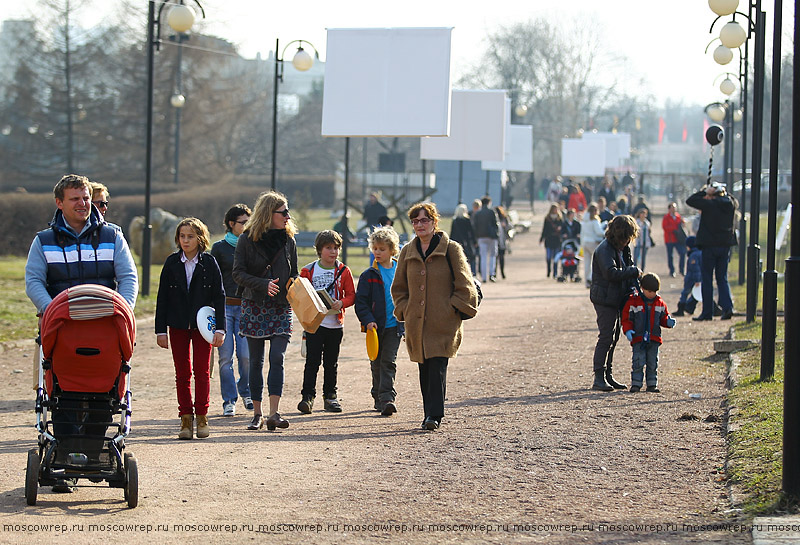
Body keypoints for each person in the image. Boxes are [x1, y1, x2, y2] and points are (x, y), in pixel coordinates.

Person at [25, 173, 139, 493]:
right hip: (62, 332)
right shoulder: (43, 241)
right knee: (64, 395)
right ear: (59, 203)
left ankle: (88, 453)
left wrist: (123, 310)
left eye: (86, 197)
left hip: (104, 331)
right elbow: (34, 280)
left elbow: (127, 277)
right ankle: (64, 459)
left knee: (103, 393)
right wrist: (51, 312)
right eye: (75, 198)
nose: (83, 204)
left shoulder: (112, 236)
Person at [392, 202, 478, 430]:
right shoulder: (407, 251)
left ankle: (433, 416)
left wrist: (453, 309)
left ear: (434, 222)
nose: (420, 225)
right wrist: (405, 308)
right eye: (416, 221)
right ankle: (429, 412)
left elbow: (465, 284)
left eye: (424, 220)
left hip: (443, 322)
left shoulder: (451, 249)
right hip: (416, 322)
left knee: (437, 365)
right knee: (424, 367)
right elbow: (398, 287)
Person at [233, 191, 299, 431]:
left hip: (281, 307)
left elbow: (295, 273)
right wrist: (263, 284)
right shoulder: (247, 239)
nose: (288, 217)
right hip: (255, 306)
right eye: (283, 213)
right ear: (268, 214)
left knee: (277, 357)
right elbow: (237, 273)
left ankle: (274, 413)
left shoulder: (288, 241)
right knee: (255, 361)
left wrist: (293, 284)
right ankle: (257, 414)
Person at [155, 218, 226, 440]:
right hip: (177, 325)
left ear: (200, 238)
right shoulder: (171, 263)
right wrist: (160, 330)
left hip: (202, 326)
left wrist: (220, 329)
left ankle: (202, 415)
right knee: (182, 372)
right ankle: (185, 417)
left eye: (190, 236)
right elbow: (162, 298)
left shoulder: (210, 263)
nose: (185, 240)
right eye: (182, 236)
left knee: (202, 371)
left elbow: (219, 297)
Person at [297, 230, 355, 414]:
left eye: (336, 248)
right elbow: (300, 295)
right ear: (319, 249)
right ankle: (307, 397)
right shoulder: (308, 271)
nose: (333, 252)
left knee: (331, 362)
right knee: (312, 362)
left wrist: (342, 303)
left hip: (335, 324)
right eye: (329, 248)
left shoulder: (344, 271)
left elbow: (352, 295)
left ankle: (330, 396)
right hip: (315, 324)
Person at [355, 226, 404, 416]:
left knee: (388, 361)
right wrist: (368, 321)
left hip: (395, 326)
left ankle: (387, 398)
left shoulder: (401, 271)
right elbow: (361, 303)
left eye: (382, 249)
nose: (377, 252)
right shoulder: (369, 275)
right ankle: (377, 395)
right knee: (376, 362)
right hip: (374, 328)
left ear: (392, 250)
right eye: (375, 248)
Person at [589, 215, 641, 392]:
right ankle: (598, 377)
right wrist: (633, 272)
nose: (628, 241)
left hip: (616, 297)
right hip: (604, 298)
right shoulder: (605, 249)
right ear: (619, 234)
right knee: (606, 337)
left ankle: (608, 375)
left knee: (613, 337)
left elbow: (628, 266)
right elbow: (610, 273)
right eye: (626, 237)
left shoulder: (621, 247)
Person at [210, 204, 253, 417]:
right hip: (224, 307)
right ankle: (229, 399)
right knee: (225, 357)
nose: (247, 226)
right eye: (243, 222)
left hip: (246, 307)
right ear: (231, 224)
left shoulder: (252, 245)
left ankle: (245, 390)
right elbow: (210, 278)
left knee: (245, 356)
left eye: (249, 222)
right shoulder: (218, 248)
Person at [686, 182, 736, 321]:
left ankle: (707, 312)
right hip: (725, 245)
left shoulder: (709, 204)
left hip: (709, 245)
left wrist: (705, 192)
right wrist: (721, 191)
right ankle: (727, 307)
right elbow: (732, 199)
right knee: (722, 278)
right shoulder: (730, 204)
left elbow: (690, 200)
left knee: (707, 279)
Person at [621, 272, 676, 393]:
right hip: (638, 338)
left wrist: (668, 322)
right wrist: (628, 330)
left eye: (654, 292)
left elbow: (663, 317)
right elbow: (627, 319)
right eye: (649, 291)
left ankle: (652, 383)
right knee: (638, 361)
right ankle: (636, 383)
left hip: (654, 338)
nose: (652, 294)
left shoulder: (660, 303)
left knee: (652, 362)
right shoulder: (633, 302)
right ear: (642, 289)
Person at [472, 195, 499, 283]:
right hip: (491, 237)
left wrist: (475, 238)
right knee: (492, 256)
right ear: (489, 203)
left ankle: (484, 277)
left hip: (481, 237)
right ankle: (491, 274)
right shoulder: (492, 212)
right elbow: (495, 224)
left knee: (483, 256)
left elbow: (475, 226)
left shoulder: (478, 214)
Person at [672, 236, 702, 317]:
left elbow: (696, 269)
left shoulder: (693, 255)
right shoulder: (699, 253)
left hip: (691, 278)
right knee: (696, 293)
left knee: (685, 293)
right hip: (694, 277)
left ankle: (681, 308)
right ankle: (689, 307)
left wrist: (697, 280)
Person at [580, 204, 606, 288]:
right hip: (593, 242)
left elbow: (582, 233)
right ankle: (590, 278)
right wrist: (605, 232)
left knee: (587, 263)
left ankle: (586, 281)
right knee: (596, 261)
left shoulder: (584, 220)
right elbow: (598, 232)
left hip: (585, 242)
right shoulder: (594, 220)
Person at [449, 203, 477, 275]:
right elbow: (471, 231)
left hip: (456, 242)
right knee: (469, 258)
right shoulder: (467, 220)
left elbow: (452, 232)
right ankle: (472, 273)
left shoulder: (455, 220)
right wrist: (474, 241)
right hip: (466, 242)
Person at [662, 202, 686, 278]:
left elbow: (682, 224)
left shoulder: (678, 216)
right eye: (672, 208)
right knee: (670, 256)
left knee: (682, 253)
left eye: (675, 208)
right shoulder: (666, 217)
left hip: (678, 239)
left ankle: (681, 270)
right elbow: (665, 227)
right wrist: (675, 229)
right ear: (669, 209)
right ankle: (672, 271)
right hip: (669, 239)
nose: (674, 209)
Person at [539, 204, 563, 278]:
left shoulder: (560, 219)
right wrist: (541, 238)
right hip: (549, 240)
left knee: (556, 257)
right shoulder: (547, 219)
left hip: (556, 240)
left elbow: (563, 228)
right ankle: (549, 270)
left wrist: (560, 229)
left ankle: (555, 272)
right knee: (548, 257)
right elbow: (544, 229)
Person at [495, 205, 512, 279]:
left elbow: (510, 226)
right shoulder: (500, 218)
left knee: (499, 257)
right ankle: (497, 273)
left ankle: (500, 272)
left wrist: (505, 226)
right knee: (498, 257)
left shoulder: (504, 218)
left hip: (502, 240)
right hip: (499, 240)